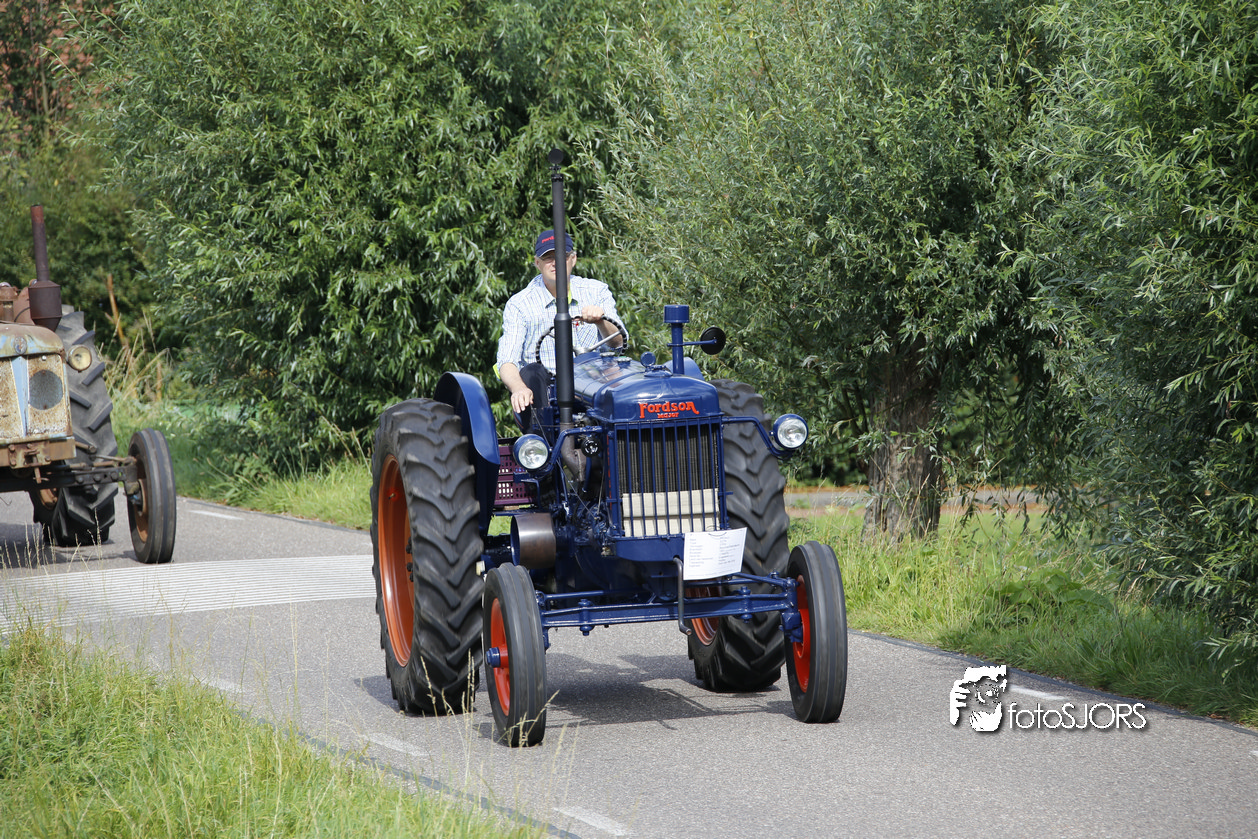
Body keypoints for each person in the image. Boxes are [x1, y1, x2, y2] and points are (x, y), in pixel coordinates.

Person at [496, 229, 623, 426]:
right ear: (537, 263)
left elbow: (618, 342)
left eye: (561, 256)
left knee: (619, 369)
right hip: (548, 394)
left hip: (594, 385)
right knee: (531, 372)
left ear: (573, 259)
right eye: (548, 258)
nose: (555, 263)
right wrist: (519, 388)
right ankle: (543, 441)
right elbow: (507, 361)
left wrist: (601, 321)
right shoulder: (519, 304)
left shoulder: (596, 291)